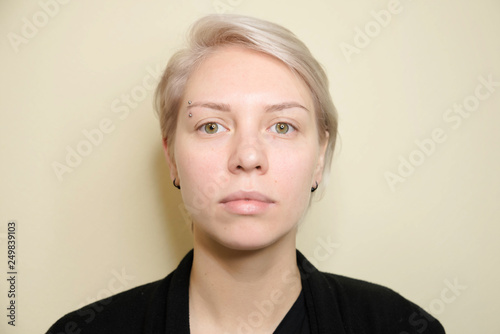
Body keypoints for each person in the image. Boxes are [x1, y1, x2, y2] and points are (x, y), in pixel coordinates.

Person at [47, 14, 445, 334]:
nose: (248, 156)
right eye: (211, 126)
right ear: (171, 158)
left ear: (319, 157)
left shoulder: (401, 326)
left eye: (283, 126)